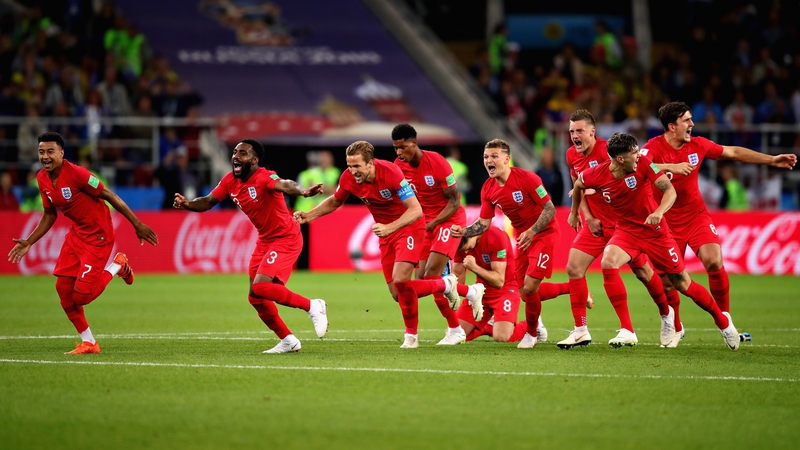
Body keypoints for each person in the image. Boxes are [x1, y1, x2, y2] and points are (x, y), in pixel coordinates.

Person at [294, 141, 484, 349]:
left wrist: (389, 227)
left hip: (408, 228)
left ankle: (411, 337)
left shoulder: (391, 172)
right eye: (349, 165)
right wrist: (309, 215)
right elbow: (335, 201)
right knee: (398, 293)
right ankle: (450, 286)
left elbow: (415, 210)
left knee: (403, 281)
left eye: (357, 166)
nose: (352, 171)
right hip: (387, 235)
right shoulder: (348, 178)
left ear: (370, 163)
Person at [569, 132, 740, 351]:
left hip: (656, 232)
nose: (639, 156)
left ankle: (723, 322)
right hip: (627, 231)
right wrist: (575, 213)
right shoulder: (597, 174)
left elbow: (669, 190)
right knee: (608, 262)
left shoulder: (643, 164)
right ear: (620, 159)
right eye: (633, 153)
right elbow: (578, 186)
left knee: (683, 283)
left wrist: (659, 211)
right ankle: (627, 330)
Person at [642, 101, 796, 322]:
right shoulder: (654, 147)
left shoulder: (698, 145)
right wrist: (670, 167)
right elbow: (638, 165)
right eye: (686, 120)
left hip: (696, 216)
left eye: (691, 119)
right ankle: (674, 327)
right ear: (672, 126)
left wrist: (771, 159)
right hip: (665, 221)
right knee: (668, 282)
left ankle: (725, 321)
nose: (692, 124)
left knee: (714, 261)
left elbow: (732, 152)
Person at [7, 132, 159, 354]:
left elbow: (109, 195)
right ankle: (89, 342)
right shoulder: (42, 178)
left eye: (50, 151)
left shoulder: (77, 173)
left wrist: (137, 223)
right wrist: (29, 241)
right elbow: (49, 215)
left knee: (82, 296)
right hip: (77, 234)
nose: (45, 156)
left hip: (99, 236)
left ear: (61, 153)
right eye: (41, 152)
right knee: (63, 288)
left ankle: (118, 264)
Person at [173, 138, 328, 354]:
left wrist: (303, 191)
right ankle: (288, 341)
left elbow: (286, 184)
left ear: (254, 160)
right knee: (255, 297)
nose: (236, 156)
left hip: (286, 237)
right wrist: (188, 204)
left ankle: (313, 306)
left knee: (261, 287)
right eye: (235, 152)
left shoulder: (264, 176)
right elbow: (208, 201)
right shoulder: (229, 180)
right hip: (265, 240)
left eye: (243, 153)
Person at [560, 110, 675, 349]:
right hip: (596, 224)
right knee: (573, 267)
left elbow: (637, 166)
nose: (574, 136)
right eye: (571, 131)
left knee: (644, 273)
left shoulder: (607, 150)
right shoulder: (571, 155)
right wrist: (584, 216)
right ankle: (582, 330)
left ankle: (666, 314)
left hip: (624, 225)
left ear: (592, 132)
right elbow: (578, 185)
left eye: (579, 131)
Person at [451, 139, 570, 349]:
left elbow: (549, 209)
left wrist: (533, 231)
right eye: (486, 157)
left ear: (507, 159)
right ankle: (537, 326)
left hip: (544, 233)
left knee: (531, 285)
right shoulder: (488, 188)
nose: (489, 160)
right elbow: (484, 223)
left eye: (494, 156)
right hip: (523, 237)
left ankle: (531, 333)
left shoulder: (528, 179)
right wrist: (465, 231)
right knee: (524, 291)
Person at [392, 124, 478, 345]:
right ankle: (468, 294)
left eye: (402, 147)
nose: (399, 153)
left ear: (414, 143)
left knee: (431, 275)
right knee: (420, 284)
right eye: (396, 149)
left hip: (447, 220)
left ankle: (454, 329)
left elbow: (454, 202)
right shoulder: (398, 167)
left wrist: (432, 224)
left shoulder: (437, 162)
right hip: (425, 223)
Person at [453, 226, 528, 343]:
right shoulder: (460, 245)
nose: (466, 252)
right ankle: (489, 327)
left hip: (506, 289)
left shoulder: (496, 236)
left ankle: (533, 325)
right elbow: (457, 277)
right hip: (480, 290)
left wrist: (475, 268)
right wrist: (449, 289)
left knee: (502, 338)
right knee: (456, 335)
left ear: (472, 235)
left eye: (467, 249)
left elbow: (499, 281)